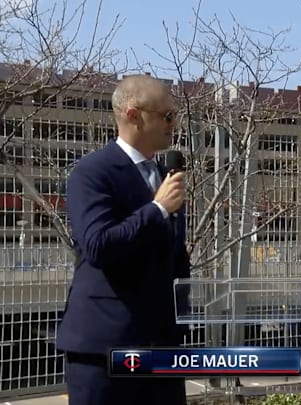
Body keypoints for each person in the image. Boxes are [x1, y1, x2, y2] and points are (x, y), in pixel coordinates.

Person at [56, 74, 190, 405]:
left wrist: (181, 320)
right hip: (105, 347)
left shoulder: (164, 176)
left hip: (161, 348)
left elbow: (173, 258)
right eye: (167, 115)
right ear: (133, 115)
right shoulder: (92, 173)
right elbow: (99, 245)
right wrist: (157, 208)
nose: (175, 123)